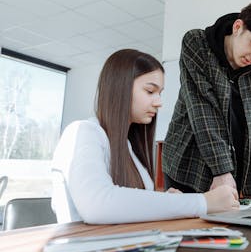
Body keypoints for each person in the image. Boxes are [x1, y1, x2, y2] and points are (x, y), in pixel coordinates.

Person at [51, 49, 239, 224]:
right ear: (120, 87)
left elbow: (130, 204)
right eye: (150, 91)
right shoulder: (82, 132)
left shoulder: (129, 147)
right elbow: (97, 205)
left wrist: (167, 200)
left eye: (160, 93)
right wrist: (202, 202)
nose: (158, 102)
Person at [163, 0, 251, 201]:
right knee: (188, 228)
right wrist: (221, 170)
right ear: (238, 27)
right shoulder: (197, 43)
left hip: (232, 171)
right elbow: (203, 111)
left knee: (228, 229)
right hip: (188, 164)